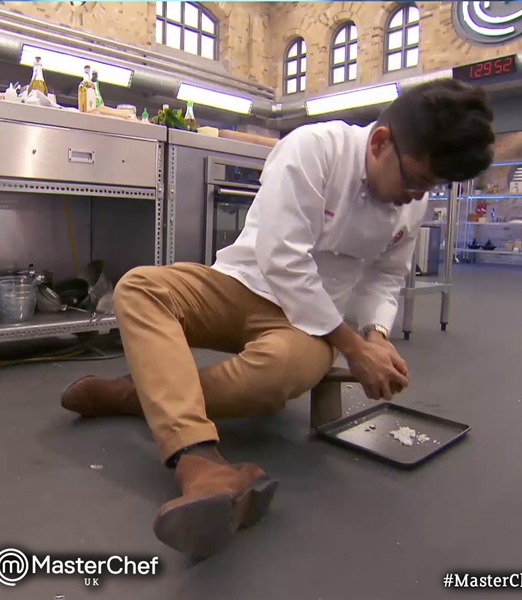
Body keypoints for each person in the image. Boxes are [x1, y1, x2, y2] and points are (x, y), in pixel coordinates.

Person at [61, 78, 495, 558]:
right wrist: (354, 348)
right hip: (243, 282)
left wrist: (376, 335)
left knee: (278, 374)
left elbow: (385, 277)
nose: (416, 197)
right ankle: (200, 459)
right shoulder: (315, 149)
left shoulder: (413, 201)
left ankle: (137, 395)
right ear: (379, 143)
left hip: (310, 325)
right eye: (414, 180)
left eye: (429, 187)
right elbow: (282, 260)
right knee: (139, 288)